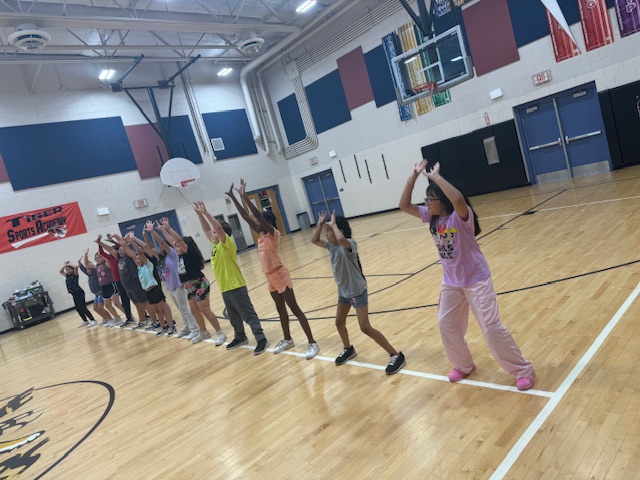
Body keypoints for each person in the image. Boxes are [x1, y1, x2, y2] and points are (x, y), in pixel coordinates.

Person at [399, 159, 535, 390]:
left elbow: (458, 199)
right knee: (446, 324)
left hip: (476, 280)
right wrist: (413, 177)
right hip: (452, 284)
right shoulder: (432, 218)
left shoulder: (460, 218)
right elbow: (403, 205)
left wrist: (437, 178)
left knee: (491, 329)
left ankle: (523, 370)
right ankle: (463, 365)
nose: (426, 204)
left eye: (430, 199)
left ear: (442, 201)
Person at [226, 179, 319, 359]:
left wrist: (245, 196)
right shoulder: (261, 236)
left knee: (295, 309)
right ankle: (287, 339)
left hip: (280, 274)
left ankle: (312, 342)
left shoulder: (273, 234)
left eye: (260, 221)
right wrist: (234, 197)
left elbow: (257, 217)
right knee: (280, 310)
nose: (256, 224)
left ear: (267, 222)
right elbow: (247, 217)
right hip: (269, 277)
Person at [310, 211, 405, 375]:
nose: (327, 234)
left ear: (340, 230)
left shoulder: (349, 244)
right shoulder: (331, 247)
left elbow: (341, 239)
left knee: (365, 327)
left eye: (330, 230)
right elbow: (314, 240)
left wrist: (333, 225)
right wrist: (320, 225)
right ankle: (348, 348)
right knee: (339, 322)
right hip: (344, 291)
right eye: (327, 231)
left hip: (357, 291)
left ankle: (395, 355)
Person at [193, 201, 269, 355]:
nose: (212, 234)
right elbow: (206, 229)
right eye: (213, 233)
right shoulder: (215, 245)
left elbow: (218, 228)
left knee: (248, 314)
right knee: (233, 316)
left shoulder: (226, 244)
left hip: (236, 285)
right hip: (225, 287)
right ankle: (240, 337)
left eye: (215, 233)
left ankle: (261, 339)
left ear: (222, 234)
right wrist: (200, 215)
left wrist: (206, 212)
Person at [157, 218, 226, 345]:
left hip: (199, 283)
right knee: (194, 311)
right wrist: (163, 232)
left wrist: (168, 228)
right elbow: (173, 242)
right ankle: (203, 331)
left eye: (179, 246)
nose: (176, 247)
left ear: (185, 245)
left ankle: (220, 332)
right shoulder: (180, 255)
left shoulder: (189, 252)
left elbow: (178, 240)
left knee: (205, 310)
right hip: (188, 286)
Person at [144, 220, 199, 338]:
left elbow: (163, 243)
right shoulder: (161, 257)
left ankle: (195, 328)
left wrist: (153, 232)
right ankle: (187, 326)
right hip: (170, 287)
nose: (160, 248)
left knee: (184, 307)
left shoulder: (173, 254)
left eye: (162, 247)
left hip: (178, 285)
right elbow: (149, 248)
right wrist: (145, 235)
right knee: (180, 308)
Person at [59, 261, 95, 327]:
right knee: (78, 308)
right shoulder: (67, 276)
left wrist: (69, 264)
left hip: (79, 293)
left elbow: (75, 267)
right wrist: (65, 266)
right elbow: (61, 271)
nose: (68, 271)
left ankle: (93, 320)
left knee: (83, 307)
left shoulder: (75, 275)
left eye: (69, 269)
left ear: (72, 270)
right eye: (67, 270)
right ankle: (85, 321)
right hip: (74, 294)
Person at [78, 249, 109, 326]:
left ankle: (110, 318)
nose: (88, 271)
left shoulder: (95, 272)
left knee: (100, 307)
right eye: (87, 270)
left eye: (89, 269)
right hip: (96, 294)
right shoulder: (89, 275)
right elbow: (82, 267)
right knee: (96, 309)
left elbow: (88, 264)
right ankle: (105, 318)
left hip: (101, 292)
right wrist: (79, 262)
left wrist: (86, 258)